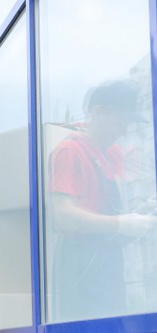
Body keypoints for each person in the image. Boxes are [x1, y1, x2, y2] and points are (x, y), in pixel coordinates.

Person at [47, 79, 157, 321]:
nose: (123, 132)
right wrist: (121, 224)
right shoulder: (69, 151)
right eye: (120, 123)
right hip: (79, 268)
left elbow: (107, 209)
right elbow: (62, 216)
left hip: (110, 264)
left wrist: (140, 214)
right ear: (98, 112)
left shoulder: (113, 152)